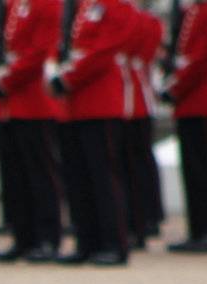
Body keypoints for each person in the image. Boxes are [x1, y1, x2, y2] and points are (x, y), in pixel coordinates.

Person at [51, 0, 134, 265]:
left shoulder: (115, 5)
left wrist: (69, 76)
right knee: (78, 178)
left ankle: (113, 244)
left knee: (103, 178)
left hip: (100, 103)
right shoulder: (80, 6)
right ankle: (86, 242)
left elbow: (103, 51)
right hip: (74, 105)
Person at [0, 0, 64, 262]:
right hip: (10, 103)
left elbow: (40, 53)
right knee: (15, 175)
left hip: (34, 102)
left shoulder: (47, 4)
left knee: (39, 175)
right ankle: (23, 237)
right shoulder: (12, 5)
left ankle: (47, 237)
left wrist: (6, 80)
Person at [160, 0, 207, 252]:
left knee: (205, 171)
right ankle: (199, 229)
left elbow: (202, 58)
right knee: (192, 170)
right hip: (187, 101)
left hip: (200, 98)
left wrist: (176, 86)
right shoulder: (191, 12)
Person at [121, 0, 166, 247]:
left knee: (137, 164)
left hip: (136, 98)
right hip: (127, 96)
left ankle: (144, 219)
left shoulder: (144, 20)